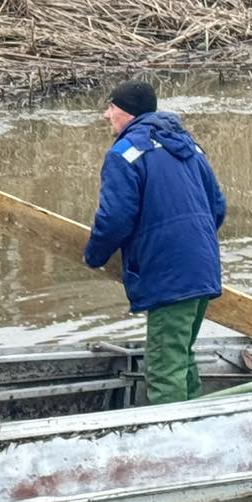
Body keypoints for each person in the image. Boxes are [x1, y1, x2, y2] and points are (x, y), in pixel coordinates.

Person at [82, 81, 227, 406]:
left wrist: (94, 256)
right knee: (181, 355)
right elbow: (217, 207)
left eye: (112, 108)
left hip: (168, 274)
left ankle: (172, 445)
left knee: (164, 368)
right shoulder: (189, 146)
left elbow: (115, 218)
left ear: (127, 113)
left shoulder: (124, 155)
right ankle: (195, 426)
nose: (107, 115)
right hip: (203, 268)